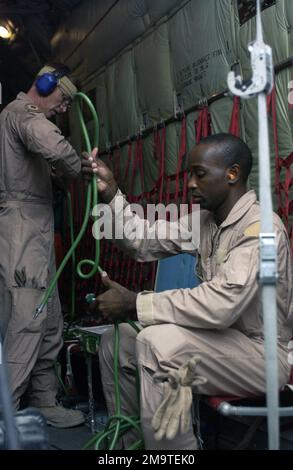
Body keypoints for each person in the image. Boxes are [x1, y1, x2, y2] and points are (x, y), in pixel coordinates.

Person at [82, 133, 293, 449]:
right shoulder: (206, 221)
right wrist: (111, 191)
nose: (191, 183)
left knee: (157, 344)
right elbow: (140, 240)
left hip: (262, 355)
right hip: (220, 342)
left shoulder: (261, 229)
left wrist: (135, 303)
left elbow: (222, 305)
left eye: (200, 174)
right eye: (189, 174)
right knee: (119, 341)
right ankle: (130, 445)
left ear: (232, 174)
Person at [0, 63, 85, 427]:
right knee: (26, 318)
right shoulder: (24, 113)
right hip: (22, 227)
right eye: (64, 100)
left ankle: (44, 401)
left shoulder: (18, 119)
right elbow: (54, 146)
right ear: (45, 84)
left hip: (35, 226)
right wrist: (78, 166)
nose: (64, 109)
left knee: (49, 316)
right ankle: (6, 413)